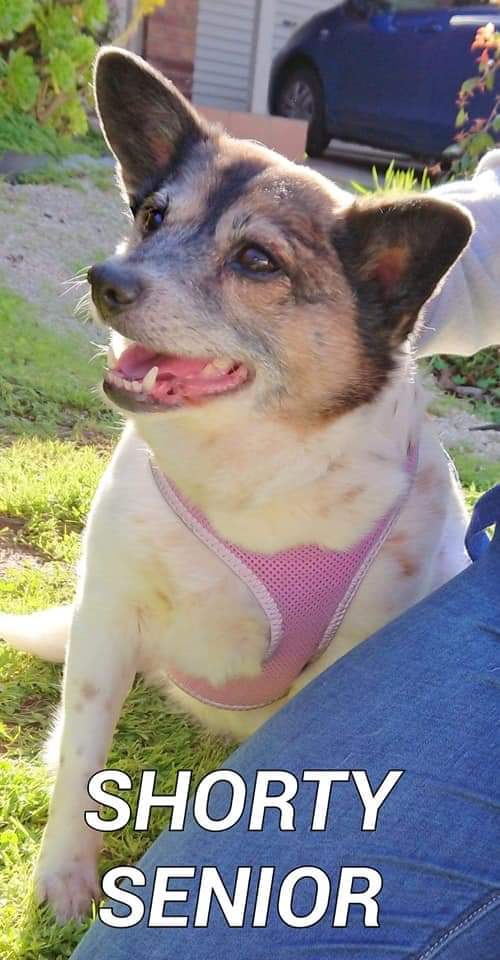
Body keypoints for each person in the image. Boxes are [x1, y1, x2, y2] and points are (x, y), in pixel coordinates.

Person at [72, 153, 500, 959]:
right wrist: (348, 306)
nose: (121, 273)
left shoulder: (404, 516)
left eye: (253, 260)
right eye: (155, 220)